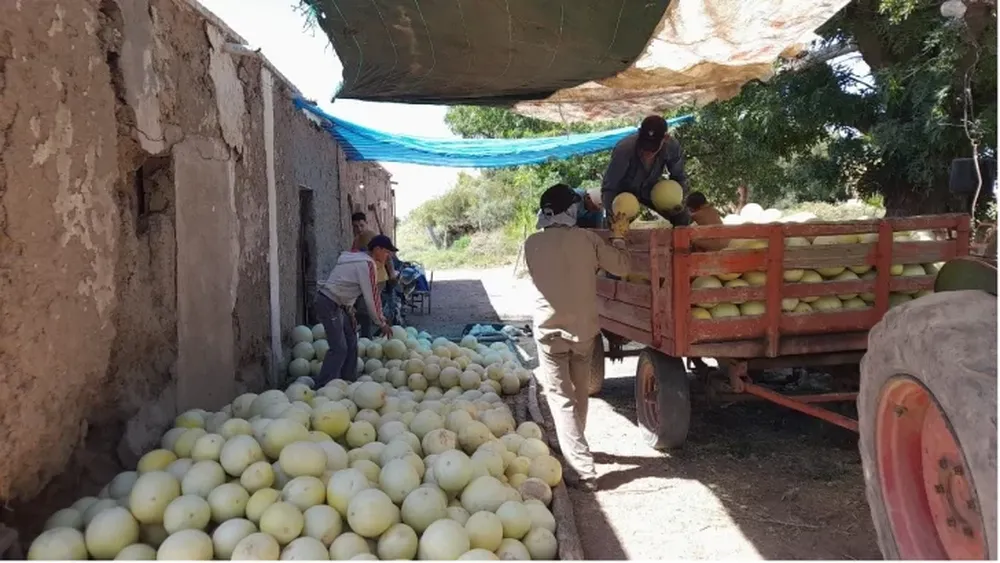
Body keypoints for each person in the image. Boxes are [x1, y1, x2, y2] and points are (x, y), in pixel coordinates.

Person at [523, 183, 632, 491]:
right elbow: (622, 268)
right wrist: (620, 238)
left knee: (561, 398)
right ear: (571, 211)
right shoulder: (587, 239)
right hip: (583, 330)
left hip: (548, 331)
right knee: (578, 393)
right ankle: (579, 454)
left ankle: (580, 465)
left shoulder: (532, 244)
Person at [314, 234, 396, 386]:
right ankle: (324, 387)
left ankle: (348, 382)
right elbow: (372, 296)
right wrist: (381, 322)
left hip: (340, 305)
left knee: (352, 341)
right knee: (339, 348)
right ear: (377, 249)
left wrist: (349, 308)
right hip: (329, 303)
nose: (388, 255)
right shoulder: (367, 264)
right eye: (386, 251)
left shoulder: (354, 258)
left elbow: (345, 285)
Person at [601, 114, 691, 225]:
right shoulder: (624, 150)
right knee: (617, 226)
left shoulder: (672, 147)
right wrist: (614, 212)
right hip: (623, 193)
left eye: (653, 148)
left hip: (651, 191)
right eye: (644, 147)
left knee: (682, 216)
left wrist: (676, 202)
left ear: (665, 138)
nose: (647, 152)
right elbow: (609, 188)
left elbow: (679, 177)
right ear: (639, 133)